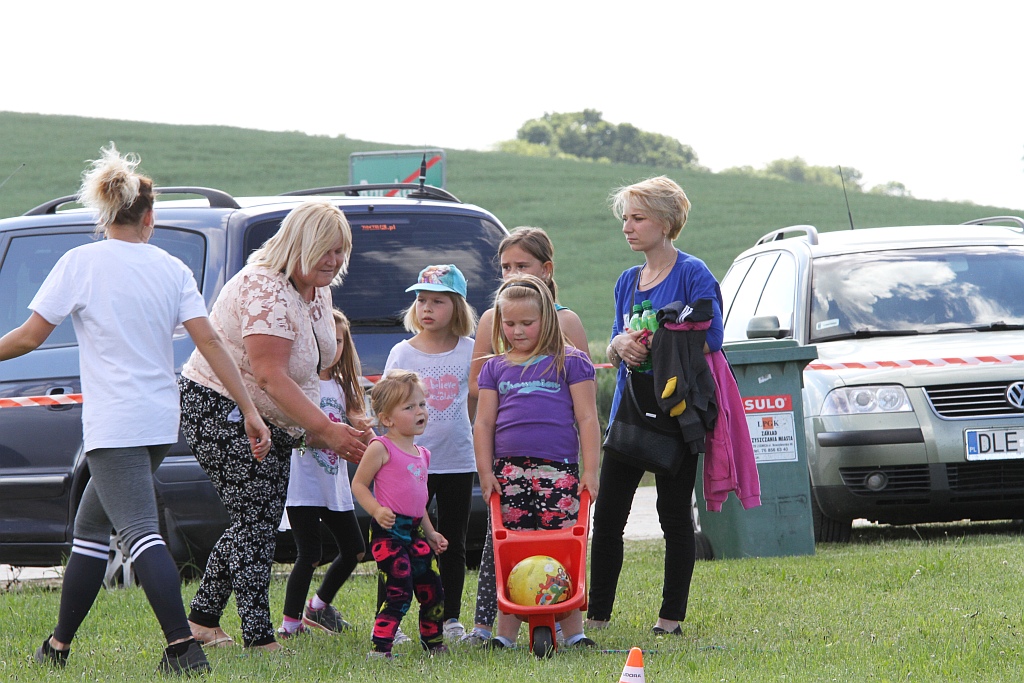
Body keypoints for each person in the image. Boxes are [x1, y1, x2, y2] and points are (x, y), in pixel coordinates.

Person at [0, 143, 271, 675]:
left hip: (114, 423)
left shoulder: (80, 262)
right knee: (89, 533)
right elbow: (212, 345)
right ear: (149, 217)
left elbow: (31, 337)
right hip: (155, 423)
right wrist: (250, 409)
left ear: (106, 214)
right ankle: (56, 646)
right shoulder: (170, 267)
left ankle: (181, 647)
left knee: (141, 532)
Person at [178, 198, 367, 651]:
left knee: (254, 520)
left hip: (274, 418)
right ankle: (259, 638)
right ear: (299, 244)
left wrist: (346, 420)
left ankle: (202, 620)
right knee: (256, 524)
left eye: (341, 251)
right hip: (220, 405)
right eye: (326, 249)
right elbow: (269, 375)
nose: (334, 260)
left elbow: (311, 367)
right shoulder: (265, 289)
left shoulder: (316, 287)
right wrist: (327, 430)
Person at [587, 175, 724, 636]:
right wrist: (619, 344)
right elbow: (612, 338)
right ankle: (597, 617)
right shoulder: (627, 281)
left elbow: (713, 337)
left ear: (666, 222)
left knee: (673, 516)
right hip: (630, 410)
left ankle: (670, 620)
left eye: (638, 217)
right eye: (625, 218)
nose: (628, 226)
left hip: (678, 412)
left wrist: (661, 339)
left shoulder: (693, 273)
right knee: (606, 517)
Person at [463, 226, 590, 646]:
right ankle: (503, 634)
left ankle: (572, 632)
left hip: (559, 470)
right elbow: (483, 424)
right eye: (510, 324)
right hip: (508, 472)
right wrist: (485, 474)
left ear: (547, 319)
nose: (517, 331)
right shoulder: (495, 368)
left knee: (561, 548)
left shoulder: (571, 362)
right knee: (510, 552)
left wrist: (592, 472)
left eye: (527, 323)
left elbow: (588, 419)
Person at [383, 264, 477, 642]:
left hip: (456, 460)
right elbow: (387, 406)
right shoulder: (401, 353)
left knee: (450, 541)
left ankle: (450, 619)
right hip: (407, 466)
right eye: (421, 300)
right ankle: (391, 620)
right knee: (399, 543)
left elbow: (478, 402)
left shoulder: (472, 350)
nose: (427, 308)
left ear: (457, 306)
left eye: (438, 301)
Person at [277, 309, 373, 639]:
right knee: (310, 554)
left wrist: (366, 433)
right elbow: (290, 429)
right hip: (303, 484)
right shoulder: (301, 384)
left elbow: (359, 428)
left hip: (334, 484)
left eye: (339, 341)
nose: (333, 347)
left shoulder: (346, 386)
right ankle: (290, 625)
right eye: (325, 340)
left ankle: (318, 607)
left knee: (356, 549)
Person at [351, 370, 449, 659]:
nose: (420, 411)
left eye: (422, 405)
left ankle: (434, 643)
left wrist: (430, 533)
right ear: (387, 419)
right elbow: (358, 484)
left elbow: (419, 502)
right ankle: (381, 648)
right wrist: (377, 510)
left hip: (415, 530)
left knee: (432, 587)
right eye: (409, 407)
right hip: (388, 532)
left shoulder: (423, 454)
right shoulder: (381, 448)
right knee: (399, 589)